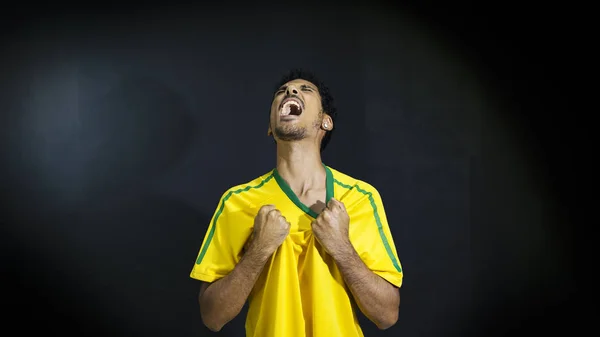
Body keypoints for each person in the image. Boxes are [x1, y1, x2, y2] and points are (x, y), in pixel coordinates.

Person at [190, 69, 403, 337]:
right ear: (270, 126)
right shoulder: (237, 201)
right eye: (282, 91)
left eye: (305, 89)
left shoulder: (360, 197)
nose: (290, 92)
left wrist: (342, 248)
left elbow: (387, 315)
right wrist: (258, 250)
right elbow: (212, 317)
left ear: (325, 122)